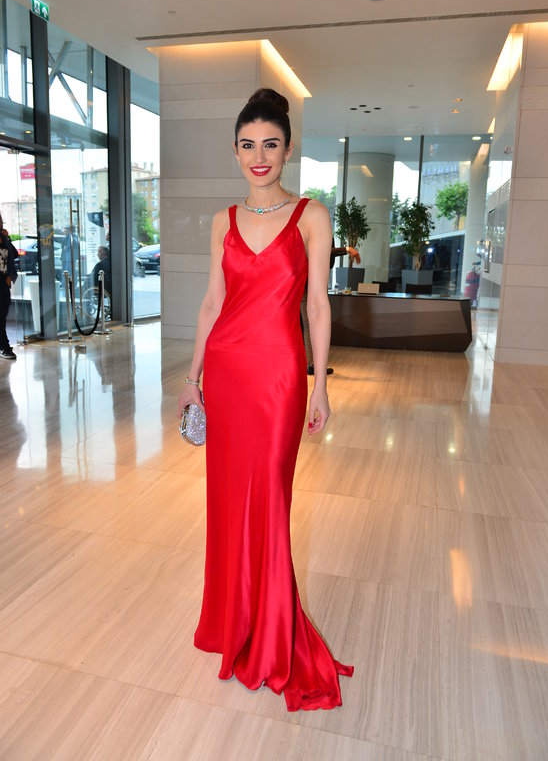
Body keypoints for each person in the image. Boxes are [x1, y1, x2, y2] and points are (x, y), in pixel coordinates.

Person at [177, 88, 353, 711]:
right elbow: (211, 303)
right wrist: (193, 376)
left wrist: (320, 383)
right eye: (248, 145)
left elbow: (318, 305)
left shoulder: (311, 215)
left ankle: (273, 634)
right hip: (226, 373)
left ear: (288, 149)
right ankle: (233, 622)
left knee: (270, 502)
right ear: (235, 151)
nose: (259, 157)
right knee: (229, 502)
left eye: (270, 145)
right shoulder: (223, 221)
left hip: (278, 377)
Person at [304, 240, 361, 375]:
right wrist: (346, 249)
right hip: (310, 285)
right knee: (314, 325)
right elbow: (321, 251)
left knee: (309, 325)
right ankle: (312, 364)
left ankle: (311, 364)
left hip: (308, 284)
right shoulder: (317, 231)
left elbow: (327, 258)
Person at [0, 212, 19, 360]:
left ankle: (3, 345)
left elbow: (14, 254)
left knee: (4, 312)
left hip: (4, 281)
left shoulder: (4, 238)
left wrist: (8, 238)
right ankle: (4, 346)